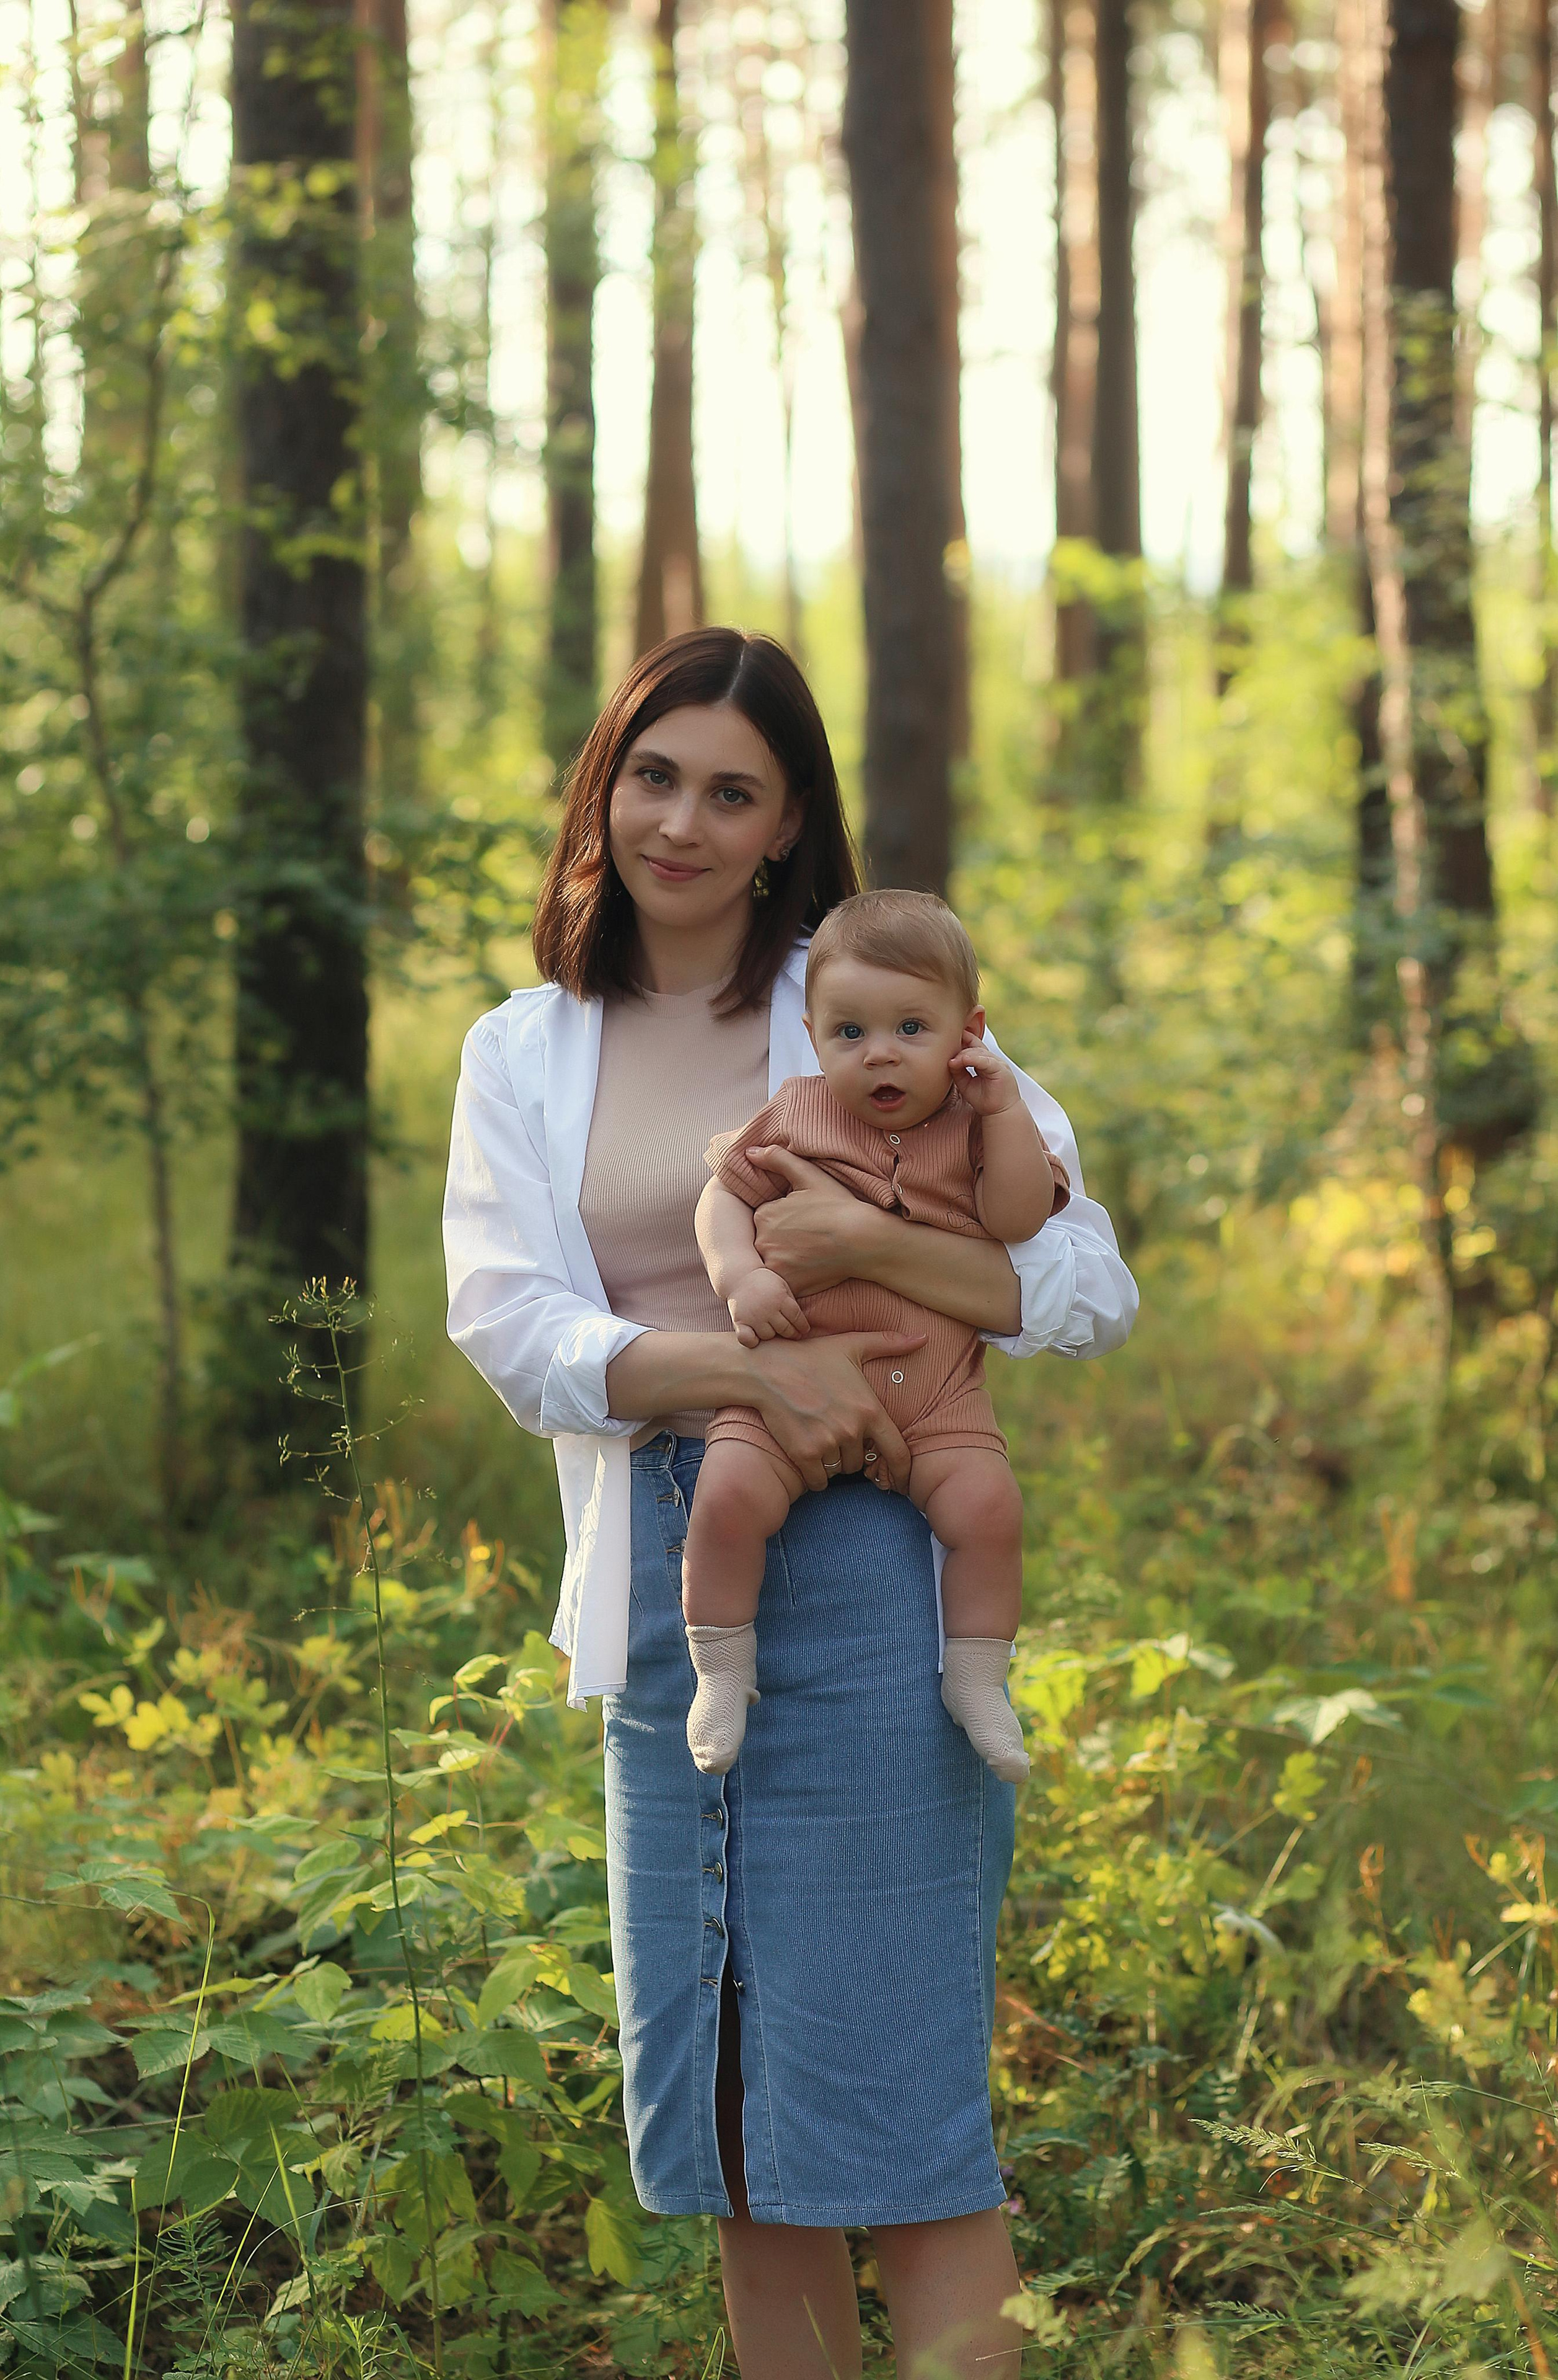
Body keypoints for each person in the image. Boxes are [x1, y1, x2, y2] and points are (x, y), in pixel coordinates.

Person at [443, 627, 1137, 2380]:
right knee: (736, 2115)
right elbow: (514, 1330)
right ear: (606, 787)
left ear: (787, 826)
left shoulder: (867, 1004)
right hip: (679, 1590)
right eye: (653, 774)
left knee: (898, 2098)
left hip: (883, 1582)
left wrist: (869, 1251)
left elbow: (1083, 1287)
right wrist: (755, 1374)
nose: (683, 820)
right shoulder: (528, 1049)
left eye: (732, 791)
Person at [684, 888, 1071, 1783]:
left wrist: (1005, 1112)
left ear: (967, 1033)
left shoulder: (980, 1124)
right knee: (728, 1497)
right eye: (849, 1033)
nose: (880, 1054)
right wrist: (740, 1276)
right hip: (786, 1377)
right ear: (815, 1036)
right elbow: (723, 1196)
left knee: (989, 1511)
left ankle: (977, 1681)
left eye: (911, 1028)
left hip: (936, 1392)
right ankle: (720, 1668)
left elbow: (1018, 1221)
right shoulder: (794, 1112)